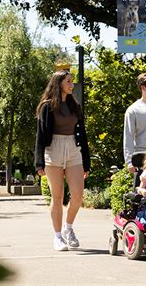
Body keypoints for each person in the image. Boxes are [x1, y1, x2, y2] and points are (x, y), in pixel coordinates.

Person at [34, 70, 90, 251]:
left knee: (78, 195)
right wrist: (39, 161)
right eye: (68, 81)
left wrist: (86, 161)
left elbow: (83, 135)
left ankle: (68, 227)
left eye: (72, 81)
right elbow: (41, 135)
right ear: (58, 84)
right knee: (57, 196)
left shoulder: (75, 106)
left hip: (73, 149)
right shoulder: (47, 106)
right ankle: (57, 237)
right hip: (53, 149)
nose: (71, 84)